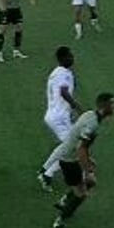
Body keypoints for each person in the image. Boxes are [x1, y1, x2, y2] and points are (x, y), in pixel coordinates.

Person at [48, 92, 114, 228]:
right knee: (82, 194)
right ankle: (58, 222)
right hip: (69, 160)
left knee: (89, 184)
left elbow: (80, 142)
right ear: (104, 106)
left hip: (70, 156)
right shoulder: (92, 124)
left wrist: (88, 159)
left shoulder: (90, 115)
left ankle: (65, 201)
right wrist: (88, 172)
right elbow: (81, 149)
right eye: (112, 103)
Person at [37, 47, 82, 192]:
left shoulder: (58, 73)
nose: (72, 58)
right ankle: (47, 174)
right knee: (72, 148)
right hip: (58, 118)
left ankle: (44, 169)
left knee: (67, 146)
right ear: (62, 58)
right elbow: (63, 92)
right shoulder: (62, 74)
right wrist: (77, 107)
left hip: (58, 116)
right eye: (70, 56)